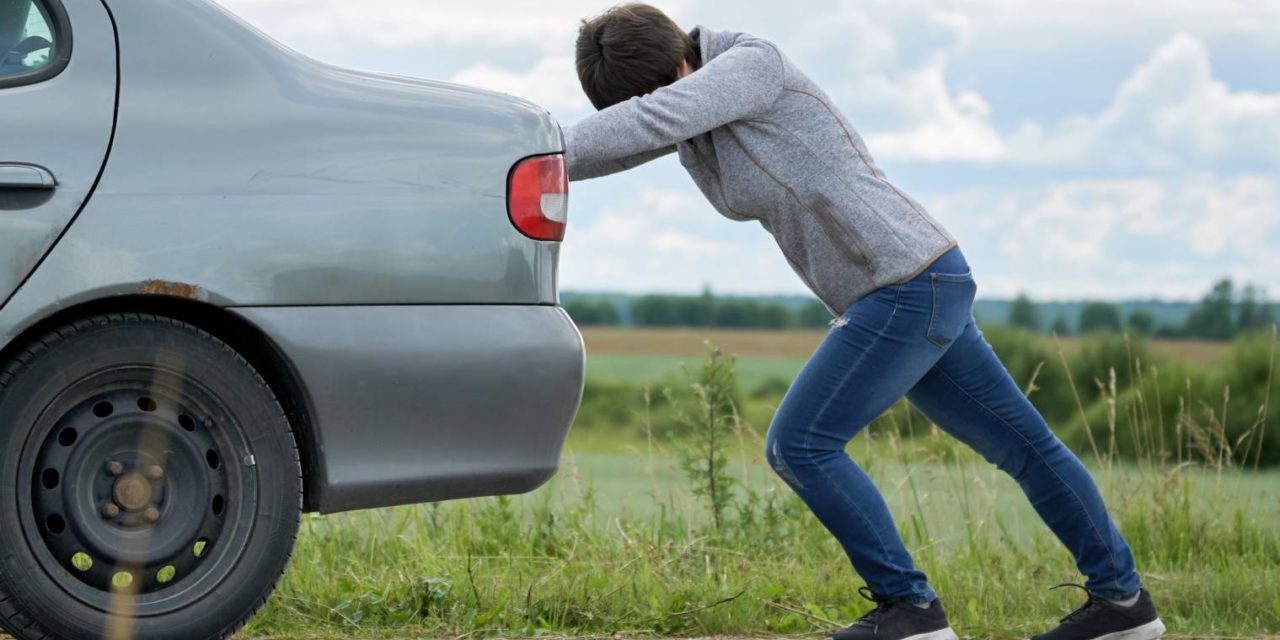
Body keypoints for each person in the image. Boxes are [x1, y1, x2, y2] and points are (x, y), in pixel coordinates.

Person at [561, 4, 1166, 640]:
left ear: (679, 57)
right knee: (1024, 447)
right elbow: (630, 139)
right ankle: (1124, 608)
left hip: (905, 283)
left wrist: (535, 143)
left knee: (800, 444)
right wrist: (516, 158)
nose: (657, 104)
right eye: (640, 99)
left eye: (662, 88)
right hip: (913, 282)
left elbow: (654, 117)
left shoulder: (750, 64)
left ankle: (909, 610)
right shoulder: (689, 103)